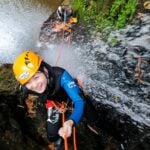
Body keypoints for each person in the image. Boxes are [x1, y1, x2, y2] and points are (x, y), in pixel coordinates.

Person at [13, 50, 100, 149]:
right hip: (55, 103)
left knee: (94, 119)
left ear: (45, 69)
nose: (35, 85)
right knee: (52, 136)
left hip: (71, 97)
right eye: (28, 82)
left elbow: (79, 101)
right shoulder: (26, 88)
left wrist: (70, 121)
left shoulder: (61, 75)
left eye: (36, 77)